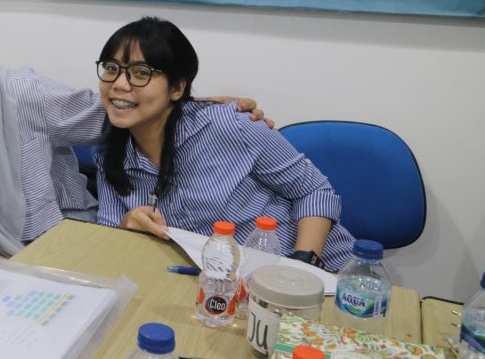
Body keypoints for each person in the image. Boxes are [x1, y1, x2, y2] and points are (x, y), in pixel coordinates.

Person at [0, 0, 266, 276]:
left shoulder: (18, 93)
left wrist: (188, 103)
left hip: (69, 251)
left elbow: (117, 110)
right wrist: (1, 264)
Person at [94, 16, 355, 271]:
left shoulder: (233, 124)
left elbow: (313, 191)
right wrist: (127, 224)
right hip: (224, 284)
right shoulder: (111, 160)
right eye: (112, 68)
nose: (119, 84)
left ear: (177, 88)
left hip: (325, 270)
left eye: (141, 73)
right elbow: (107, 241)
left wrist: (302, 265)